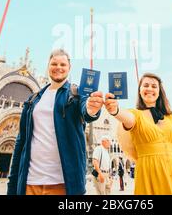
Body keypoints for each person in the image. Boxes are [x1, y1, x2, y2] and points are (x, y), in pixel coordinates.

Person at [7, 49, 102, 195]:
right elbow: (21, 143)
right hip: (29, 183)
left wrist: (92, 109)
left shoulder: (76, 93)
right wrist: (12, 185)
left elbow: (87, 111)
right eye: (54, 63)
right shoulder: (33, 100)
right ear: (48, 66)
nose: (58, 67)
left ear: (69, 68)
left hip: (63, 184)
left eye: (63, 64)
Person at [105, 72, 172, 195]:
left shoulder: (171, 118)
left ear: (159, 92)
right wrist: (115, 110)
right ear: (140, 90)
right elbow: (126, 118)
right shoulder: (135, 115)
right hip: (150, 176)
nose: (150, 88)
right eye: (146, 85)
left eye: (154, 86)